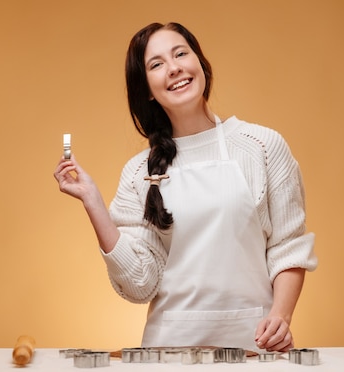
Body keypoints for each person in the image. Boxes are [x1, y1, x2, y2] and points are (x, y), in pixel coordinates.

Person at [53, 22, 317, 353]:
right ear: (147, 88)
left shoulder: (262, 146)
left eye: (181, 53)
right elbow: (139, 285)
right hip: (167, 352)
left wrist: (281, 315)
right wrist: (92, 201)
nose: (174, 67)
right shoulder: (139, 172)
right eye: (157, 64)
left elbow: (287, 246)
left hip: (254, 347)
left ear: (201, 64)